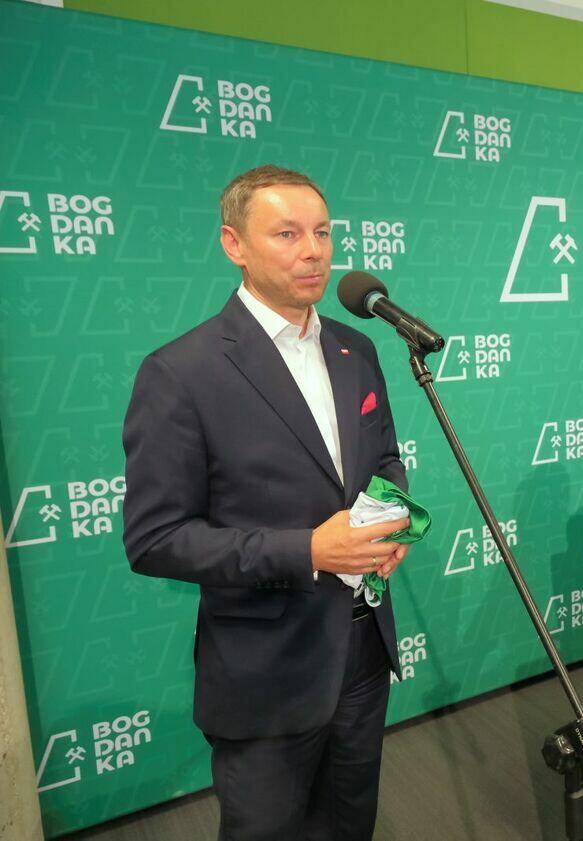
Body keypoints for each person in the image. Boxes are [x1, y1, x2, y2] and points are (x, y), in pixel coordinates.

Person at [122, 164, 409, 840]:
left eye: (322, 233)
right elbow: (155, 538)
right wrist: (308, 549)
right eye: (287, 234)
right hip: (266, 670)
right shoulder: (181, 371)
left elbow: (385, 458)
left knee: (351, 824)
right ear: (235, 244)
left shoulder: (356, 347)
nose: (313, 251)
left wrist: (390, 519)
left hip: (363, 651)